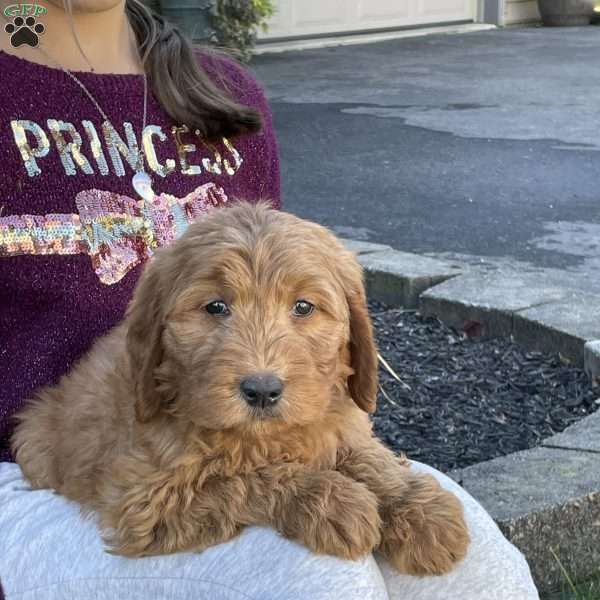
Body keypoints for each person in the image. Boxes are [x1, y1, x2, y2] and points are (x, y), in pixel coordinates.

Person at [0, 1, 540, 598]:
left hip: (256, 427)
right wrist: (281, 493)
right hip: (41, 472)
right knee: (317, 575)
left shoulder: (222, 90)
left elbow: (277, 271)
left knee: (478, 565)